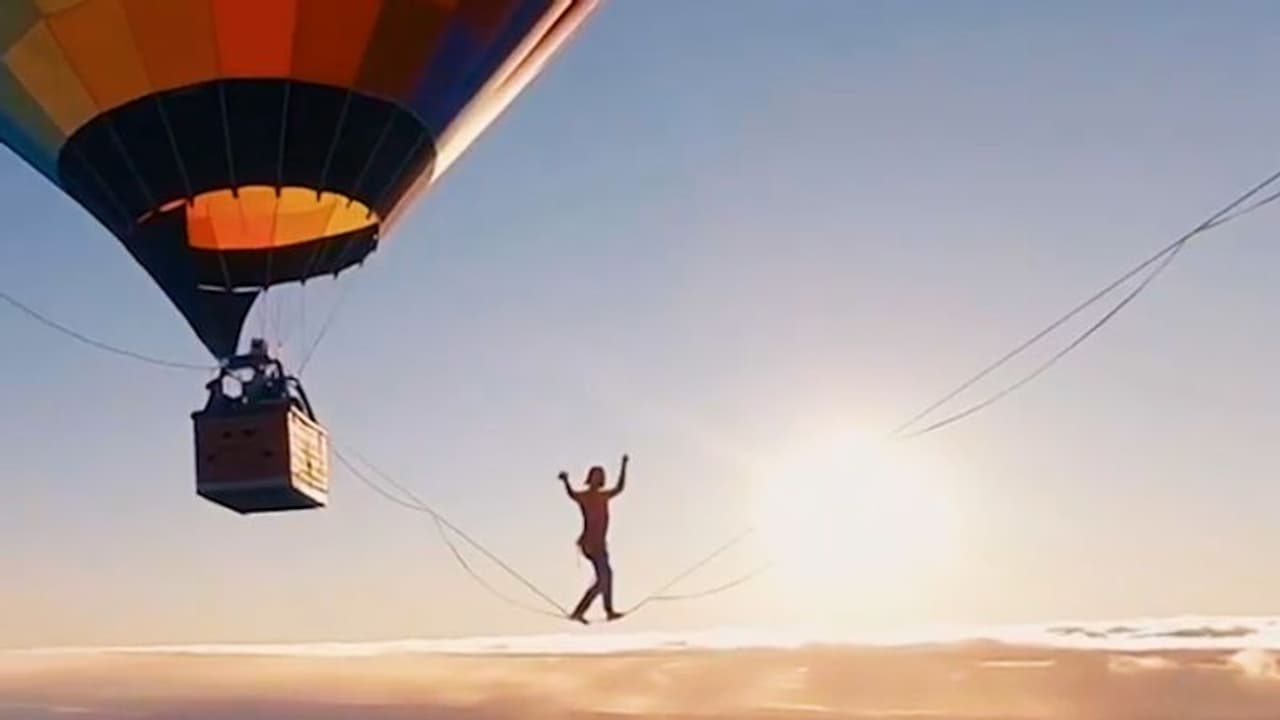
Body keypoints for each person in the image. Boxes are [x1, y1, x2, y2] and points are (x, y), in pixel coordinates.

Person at [560, 454, 628, 623]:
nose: (598, 479)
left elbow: (620, 487)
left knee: (605, 578)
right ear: (591, 479)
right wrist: (566, 482)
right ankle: (592, 611)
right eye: (596, 476)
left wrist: (624, 465)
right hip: (591, 544)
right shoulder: (586, 497)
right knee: (604, 578)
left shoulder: (603, 496)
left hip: (599, 545)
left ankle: (600, 611)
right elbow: (572, 494)